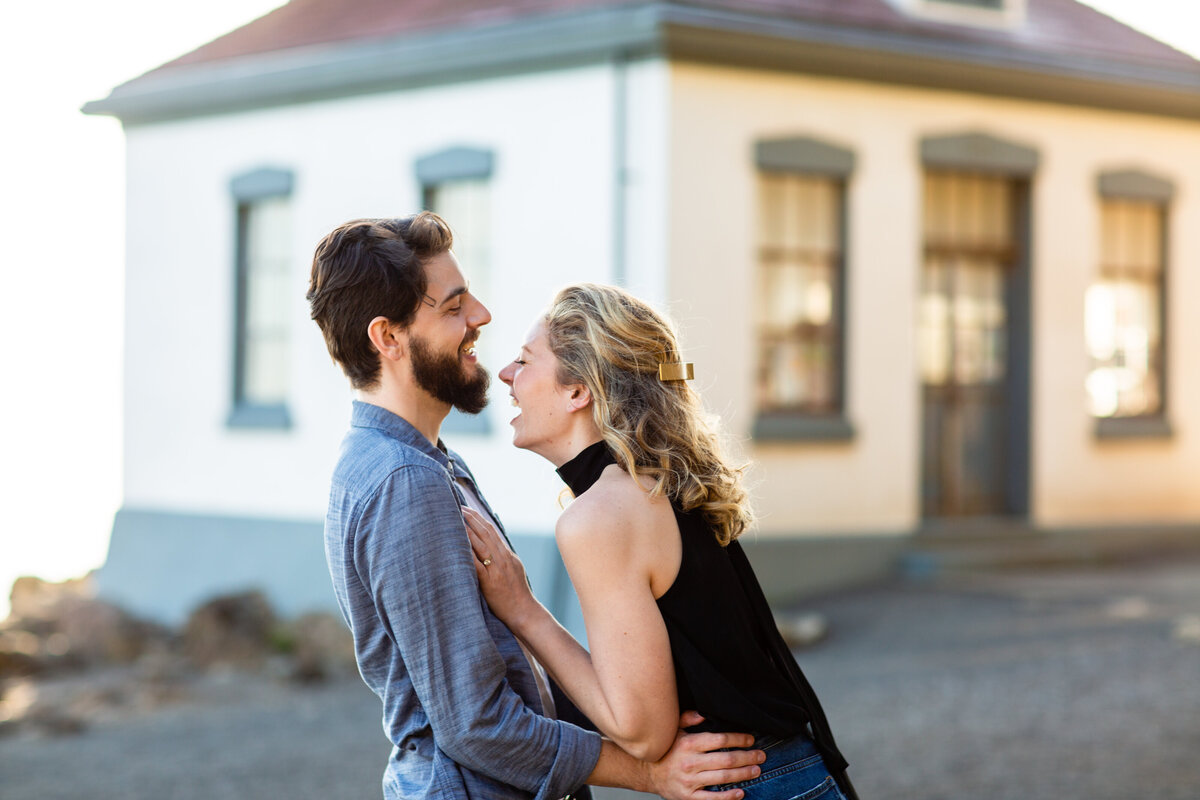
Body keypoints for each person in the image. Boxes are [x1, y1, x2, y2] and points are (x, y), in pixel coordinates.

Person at [306, 213, 767, 800]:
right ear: (388, 338)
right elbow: (475, 724)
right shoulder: (403, 480)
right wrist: (648, 773)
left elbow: (514, 676)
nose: (480, 316)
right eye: (453, 307)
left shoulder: (429, 462)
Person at [463, 283, 859, 800]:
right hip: (783, 773)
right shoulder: (660, 485)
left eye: (524, 360)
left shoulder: (602, 516)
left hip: (753, 784)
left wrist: (522, 610)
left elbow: (643, 733)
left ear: (578, 391)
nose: (507, 375)